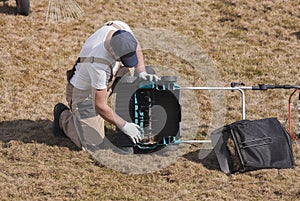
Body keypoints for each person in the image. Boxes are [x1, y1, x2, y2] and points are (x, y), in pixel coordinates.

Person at [52, 20, 159, 152]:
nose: (126, 63)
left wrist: (142, 72)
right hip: (85, 94)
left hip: (109, 78)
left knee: (134, 76)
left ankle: (127, 135)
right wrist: (125, 125)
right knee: (93, 144)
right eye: (122, 59)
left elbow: (135, 45)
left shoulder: (121, 31)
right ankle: (63, 116)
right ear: (112, 51)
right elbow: (99, 105)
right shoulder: (98, 63)